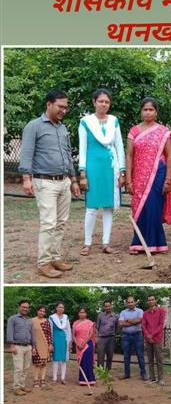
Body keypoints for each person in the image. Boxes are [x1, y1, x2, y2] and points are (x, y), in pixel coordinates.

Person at [19, 89, 81, 278]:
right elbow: (27, 153)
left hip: (63, 182)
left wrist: (74, 180)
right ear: (49, 104)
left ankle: (55, 257)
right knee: (49, 223)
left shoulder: (62, 128)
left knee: (61, 223)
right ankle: (43, 262)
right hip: (44, 182)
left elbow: (68, 155)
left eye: (66, 107)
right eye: (60, 106)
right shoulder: (34, 126)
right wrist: (26, 179)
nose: (64, 110)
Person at [126, 97, 171, 253]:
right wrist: (128, 179)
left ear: (156, 112)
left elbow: (169, 155)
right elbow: (129, 155)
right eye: (145, 109)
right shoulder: (134, 131)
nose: (148, 112)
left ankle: (156, 243)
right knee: (139, 207)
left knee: (154, 207)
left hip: (158, 173)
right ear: (141, 111)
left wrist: (168, 179)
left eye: (151, 109)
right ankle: (138, 242)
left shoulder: (163, 132)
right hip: (139, 175)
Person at [79, 88, 126, 255]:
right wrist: (82, 173)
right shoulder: (85, 122)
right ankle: (87, 243)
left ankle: (106, 243)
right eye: (101, 101)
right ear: (94, 102)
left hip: (111, 167)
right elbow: (83, 149)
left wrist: (122, 171)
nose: (104, 104)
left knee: (109, 206)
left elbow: (119, 146)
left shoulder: (114, 121)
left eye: (107, 102)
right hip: (93, 167)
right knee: (91, 207)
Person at [6, 300, 36, 396]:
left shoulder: (29, 320)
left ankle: (22, 385)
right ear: (19, 307)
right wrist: (11, 346)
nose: (25, 309)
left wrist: (33, 347)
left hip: (28, 347)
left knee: (26, 368)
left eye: (27, 307)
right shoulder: (13, 319)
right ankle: (16, 388)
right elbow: (9, 332)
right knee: (18, 368)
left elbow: (33, 334)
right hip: (17, 347)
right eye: (23, 307)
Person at [118, 296, 147, 380]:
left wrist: (126, 320)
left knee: (140, 355)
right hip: (126, 335)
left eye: (132, 302)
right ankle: (127, 374)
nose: (130, 303)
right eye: (128, 302)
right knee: (126, 356)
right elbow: (121, 324)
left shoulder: (140, 311)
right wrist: (133, 321)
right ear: (126, 303)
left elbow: (139, 321)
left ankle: (143, 374)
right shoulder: (123, 312)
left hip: (137, 335)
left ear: (135, 302)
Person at [142, 295, 166, 385]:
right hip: (148, 339)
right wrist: (148, 335)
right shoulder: (145, 313)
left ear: (155, 300)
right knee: (150, 359)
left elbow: (161, 324)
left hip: (157, 338)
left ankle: (160, 379)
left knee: (159, 359)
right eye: (149, 300)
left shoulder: (161, 311)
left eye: (152, 299)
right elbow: (143, 325)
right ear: (147, 302)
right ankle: (152, 378)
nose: (151, 301)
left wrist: (152, 335)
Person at [72, 307, 96, 386]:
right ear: (78, 313)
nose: (82, 314)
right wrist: (77, 344)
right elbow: (73, 335)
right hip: (78, 345)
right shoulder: (75, 323)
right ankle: (82, 380)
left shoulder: (90, 323)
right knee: (82, 362)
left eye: (83, 312)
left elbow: (91, 334)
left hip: (88, 344)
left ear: (86, 314)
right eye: (80, 312)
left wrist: (84, 343)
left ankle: (90, 379)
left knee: (88, 362)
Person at [49, 301, 72, 385]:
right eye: (59, 307)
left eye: (62, 307)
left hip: (64, 339)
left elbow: (68, 329)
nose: (61, 308)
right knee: (55, 359)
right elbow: (50, 330)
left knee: (63, 359)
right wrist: (51, 342)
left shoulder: (66, 317)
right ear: (56, 308)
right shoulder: (52, 317)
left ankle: (63, 378)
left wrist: (69, 341)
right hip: (55, 339)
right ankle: (54, 378)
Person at [31, 305, 53, 388]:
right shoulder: (32, 321)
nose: (42, 313)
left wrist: (50, 344)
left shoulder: (47, 321)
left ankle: (42, 380)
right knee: (37, 364)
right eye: (40, 311)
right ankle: (36, 381)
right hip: (36, 345)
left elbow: (49, 334)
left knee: (44, 364)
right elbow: (31, 334)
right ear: (37, 311)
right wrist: (32, 347)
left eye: (43, 311)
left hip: (45, 345)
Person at [96, 300, 118, 371]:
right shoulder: (100, 315)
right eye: (106, 306)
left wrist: (114, 335)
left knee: (110, 355)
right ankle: (100, 372)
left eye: (108, 306)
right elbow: (97, 327)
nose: (107, 307)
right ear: (104, 307)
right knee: (100, 356)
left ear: (111, 306)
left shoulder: (115, 316)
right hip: (101, 338)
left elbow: (117, 327)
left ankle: (108, 372)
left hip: (111, 338)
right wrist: (97, 338)